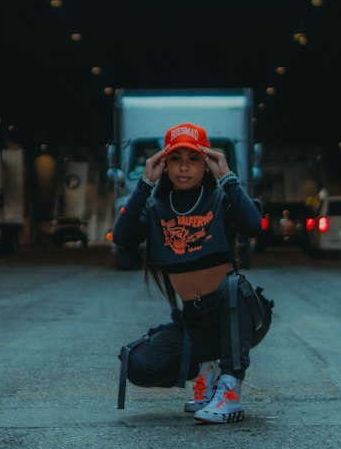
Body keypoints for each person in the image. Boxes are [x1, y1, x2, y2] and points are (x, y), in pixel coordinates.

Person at [112, 121, 264, 423]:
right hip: (193, 321)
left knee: (232, 286)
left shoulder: (221, 199)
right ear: (164, 164)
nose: (184, 168)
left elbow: (253, 225)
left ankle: (230, 390)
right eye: (175, 159)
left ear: (206, 164)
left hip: (235, 315)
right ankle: (208, 367)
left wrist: (228, 177)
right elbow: (122, 235)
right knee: (138, 365)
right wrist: (144, 183)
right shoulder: (155, 206)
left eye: (194, 159)